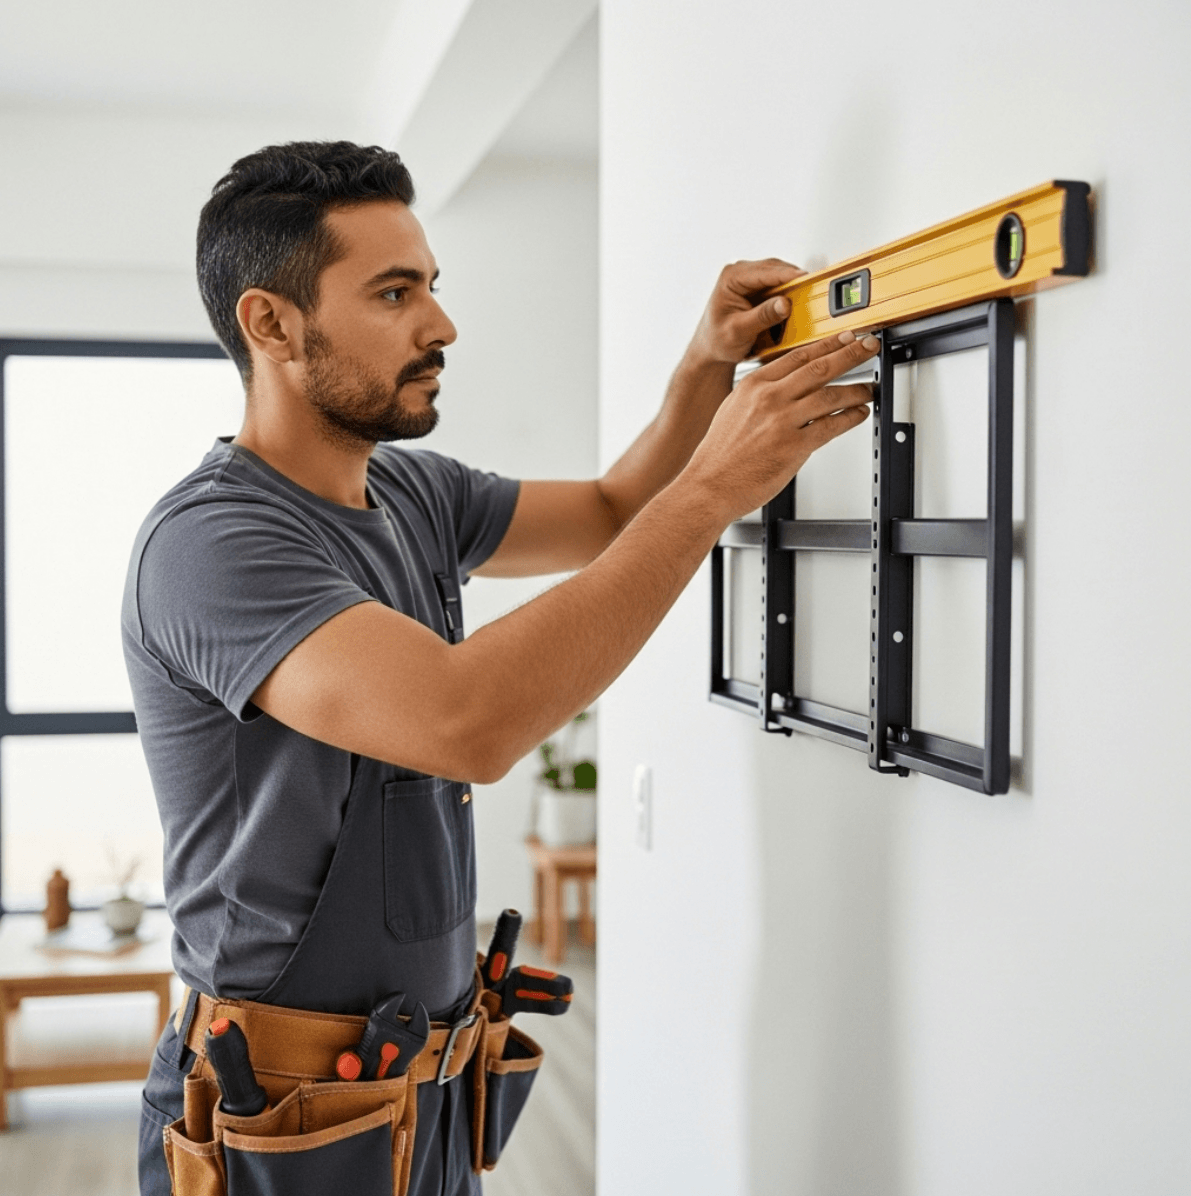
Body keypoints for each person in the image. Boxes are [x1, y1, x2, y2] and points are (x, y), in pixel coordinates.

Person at [123, 140, 877, 1196]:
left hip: (419, 1096)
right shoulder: (213, 544)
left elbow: (615, 509)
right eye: (394, 292)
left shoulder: (415, 495)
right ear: (271, 324)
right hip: (271, 1123)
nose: (441, 323)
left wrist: (707, 365)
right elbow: (462, 716)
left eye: (431, 285)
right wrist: (710, 494)